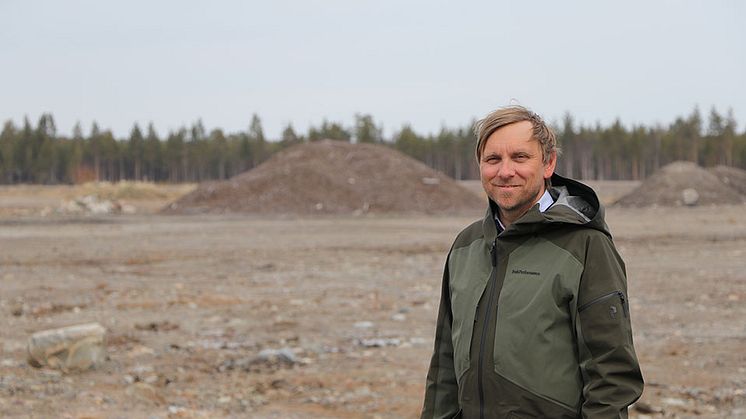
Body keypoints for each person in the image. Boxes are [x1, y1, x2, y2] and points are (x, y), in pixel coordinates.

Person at [421, 106, 643, 419]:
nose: (505, 171)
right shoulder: (466, 246)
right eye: (493, 159)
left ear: (548, 163)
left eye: (520, 157)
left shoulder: (586, 246)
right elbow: (444, 367)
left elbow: (612, 376)